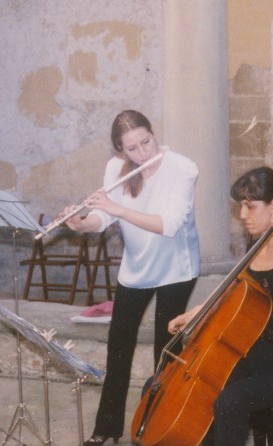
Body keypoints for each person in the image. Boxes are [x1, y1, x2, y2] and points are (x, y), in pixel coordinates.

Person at [64, 110, 201, 446]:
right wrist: (83, 223)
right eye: (133, 149)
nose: (143, 154)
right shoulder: (116, 168)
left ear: (154, 134)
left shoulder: (182, 168)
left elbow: (168, 225)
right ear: (120, 151)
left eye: (146, 142)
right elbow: (102, 217)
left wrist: (116, 209)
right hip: (136, 266)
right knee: (118, 346)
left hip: (176, 268)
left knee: (164, 350)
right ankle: (106, 429)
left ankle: (157, 428)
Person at [167, 167, 273, 445]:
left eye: (250, 207)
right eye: (241, 206)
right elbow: (231, 291)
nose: (243, 215)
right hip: (249, 356)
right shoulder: (253, 248)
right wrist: (192, 314)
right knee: (203, 394)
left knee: (230, 402)